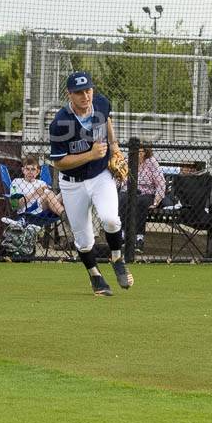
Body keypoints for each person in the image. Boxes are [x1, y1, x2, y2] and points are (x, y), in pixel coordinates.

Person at [49, 71, 131, 296]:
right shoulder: (60, 123)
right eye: (79, 92)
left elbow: (107, 121)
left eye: (88, 90)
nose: (85, 96)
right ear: (70, 94)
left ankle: (116, 257)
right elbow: (59, 163)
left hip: (100, 176)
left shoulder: (101, 103)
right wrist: (91, 154)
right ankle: (96, 277)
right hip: (72, 183)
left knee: (111, 219)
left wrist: (114, 148)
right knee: (84, 240)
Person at [115, 146, 166, 253]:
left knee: (140, 202)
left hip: (146, 193)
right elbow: (119, 179)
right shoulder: (127, 162)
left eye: (140, 151)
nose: (138, 153)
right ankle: (123, 235)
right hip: (129, 191)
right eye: (135, 150)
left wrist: (156, 201)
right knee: (122, 198)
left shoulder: (152, 163)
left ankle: (139, 238)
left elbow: (161, 183)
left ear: (146, 152)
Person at [4, 154, 65, 225]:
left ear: (37, 172)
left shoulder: (42, 183)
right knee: (48, 194)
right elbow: (15, 205)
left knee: (64, 193)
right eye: (27, 169)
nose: (30, 172)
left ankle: (65, 215)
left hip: (47, 210)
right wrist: (35, 193)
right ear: (23, 170)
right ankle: (65, 216)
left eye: (33, 169)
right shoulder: (16, 182)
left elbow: (52, 199)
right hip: (29, 213)